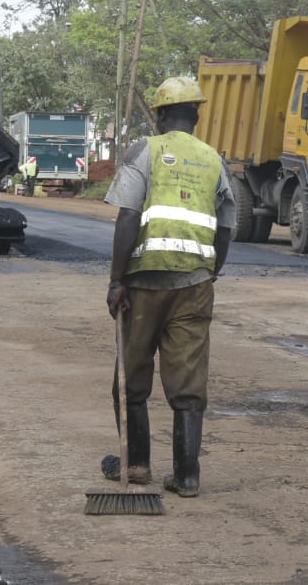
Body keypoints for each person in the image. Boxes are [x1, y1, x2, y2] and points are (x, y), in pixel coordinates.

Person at [101, 76, 236, 498]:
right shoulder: (215, 159)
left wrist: (116, 280)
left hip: (143, 283)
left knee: (132, 376)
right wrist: (211, 272)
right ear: (196, 115)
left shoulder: (147, 151)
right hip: (195, 283)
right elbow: (228, 227)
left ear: (160, 116)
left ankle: (137, 465)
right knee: (188, 382)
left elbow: (127, 217)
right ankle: (188, 475)